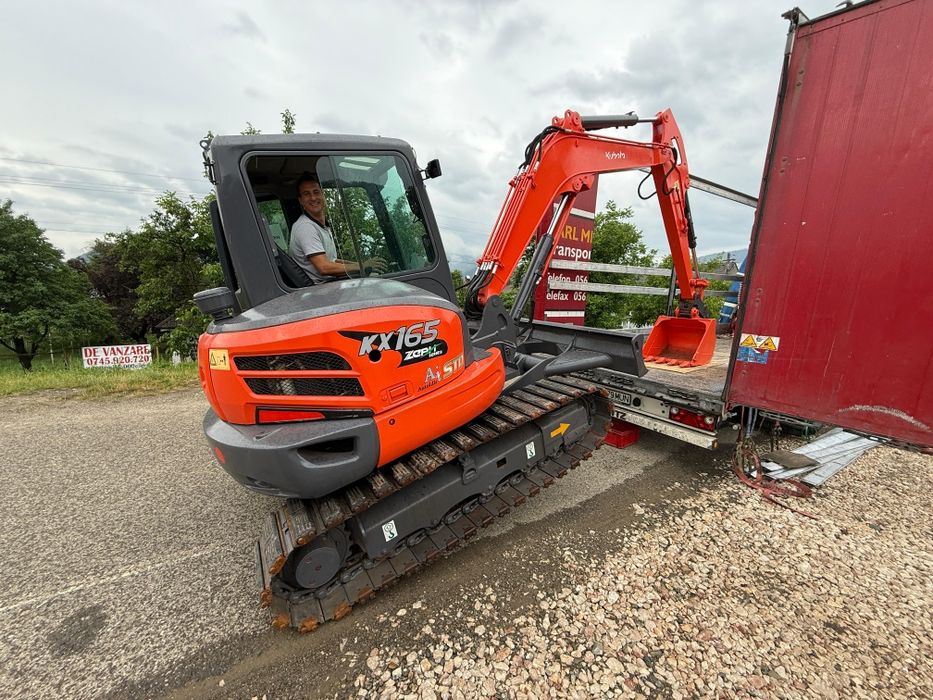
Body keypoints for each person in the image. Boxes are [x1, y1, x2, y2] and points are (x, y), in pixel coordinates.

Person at [288, 173, 386, 283]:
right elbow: (324, 267)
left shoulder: (321, 226)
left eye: (316, 192)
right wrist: (361, 266)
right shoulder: (305, 227)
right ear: (301, 200)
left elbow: (332, 261)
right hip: (320, 288)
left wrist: (362, 264)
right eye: (306, 194)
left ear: (323, 194)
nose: (313, 198)